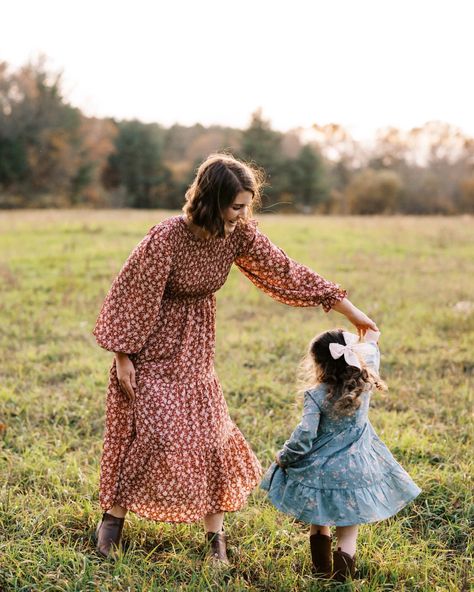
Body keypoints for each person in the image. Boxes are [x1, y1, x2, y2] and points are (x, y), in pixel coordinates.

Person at [92, 153, 378, 562]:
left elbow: (285, 270)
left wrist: (347, 307)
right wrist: (123, 355)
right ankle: (112, 520)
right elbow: (133, 295)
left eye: (247, 207)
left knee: (210, 436)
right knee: (153, 434)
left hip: (196, 349)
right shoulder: (167, 237)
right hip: (150, 346)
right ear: (211, 200)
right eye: (237, 206)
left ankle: (216, 541)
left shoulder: (238, 234)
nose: (243, 214)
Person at [260, 329, 421, 582]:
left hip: (320, 473)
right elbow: (371, 347)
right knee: (348, 533)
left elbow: (304, 436)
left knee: (318, 521)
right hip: (356, 471)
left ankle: (320, 574)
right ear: (353, 355)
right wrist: (367, 332)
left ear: (318, 364)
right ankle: (340, 582)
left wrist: (285, 457)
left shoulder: (315, 394)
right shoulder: (364, 380)